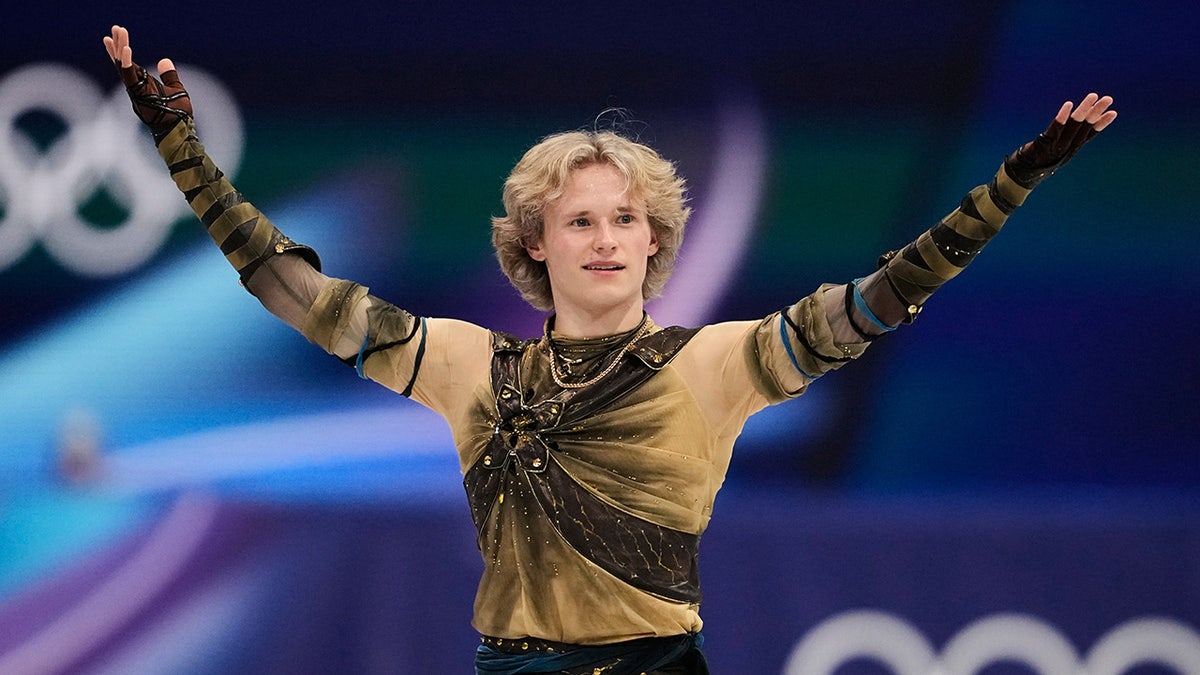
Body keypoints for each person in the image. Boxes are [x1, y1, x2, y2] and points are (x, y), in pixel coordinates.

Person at [103, 24, 1116, 675]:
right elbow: (295, 292)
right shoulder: (468, 365)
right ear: (533, 244)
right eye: (578, 220)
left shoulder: (715, 366)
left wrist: (1013, 182)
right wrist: (183, 152)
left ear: (656, 241)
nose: (602, 238)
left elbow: (881, 301)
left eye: (623, 219)